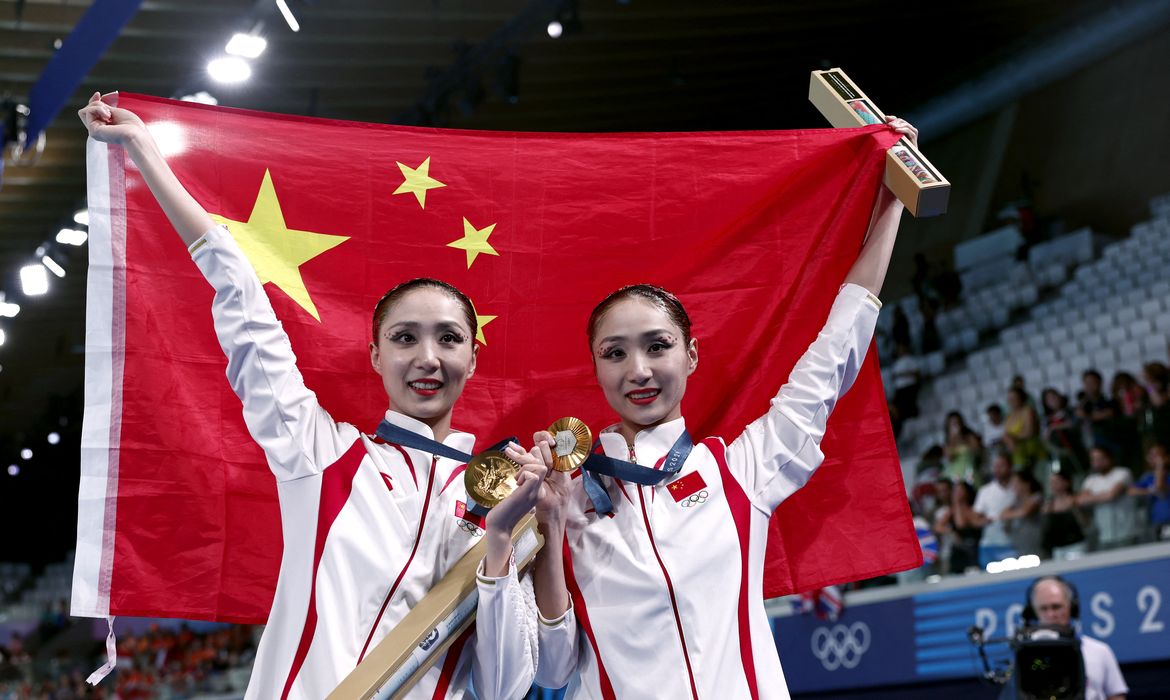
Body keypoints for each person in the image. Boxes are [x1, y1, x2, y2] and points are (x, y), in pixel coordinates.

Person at [79, 92, 541, 699]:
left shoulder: (501, 497)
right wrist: (143, 150)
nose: (427, 358)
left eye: (448, 338)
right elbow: (245, 305)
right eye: (405, 338)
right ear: (376, 356)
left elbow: (507, 686)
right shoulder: (320, 455)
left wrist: (502, 540)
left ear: (472, 357)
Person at [519, 117, 918, 699]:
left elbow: (835, 352)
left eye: (658, 346)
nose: (639, 370)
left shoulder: (741, 470)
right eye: (616, 353)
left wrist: (890, 200)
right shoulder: (568, 496)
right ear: (596, 369)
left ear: (692, 355)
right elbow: (553, 672)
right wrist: (551, 529)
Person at [1026, 576, 1127, 700]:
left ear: (1072, 607)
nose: (1051, 615)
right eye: (1043, 608)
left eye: (1056, 607)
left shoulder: (1100, 651)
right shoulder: (1026, 657)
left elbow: (1116, 695)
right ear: (1034, 612)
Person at [1077, 446, 1139, 550]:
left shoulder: (1122, 473)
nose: (1097, 462)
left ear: (1109, 458)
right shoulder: (1090, 480)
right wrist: (1106, 494)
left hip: (1127, 531)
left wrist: (1093, 497)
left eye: (1100, 458)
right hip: (1104, 535)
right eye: (1094, 459)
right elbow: (1081, 500)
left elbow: (1112, 495)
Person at [1129, 442, 1170, 541]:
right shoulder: (1147, 477)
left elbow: (1159, 486)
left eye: (1157, 456)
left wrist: (1160, 466)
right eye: (1151, 456)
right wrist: (1150, 491)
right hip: (1157, 522)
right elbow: (1131, 491)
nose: (1153, 459)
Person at [942, 411, 983, 483]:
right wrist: (953, 441)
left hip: (969, 468)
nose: (955, 426)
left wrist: (962, 439)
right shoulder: (948, 441)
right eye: (952, 424)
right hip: (954, 470)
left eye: (957, 423)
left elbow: (977, 451)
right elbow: (949, 459)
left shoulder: (970, 436)